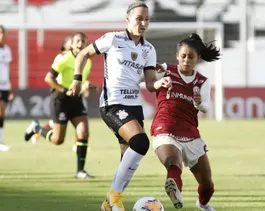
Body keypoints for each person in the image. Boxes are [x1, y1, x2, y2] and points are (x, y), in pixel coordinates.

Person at [67, 1, 172, 211]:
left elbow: (150, 83)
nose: (143, 23)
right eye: (139, 18)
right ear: (128, 19)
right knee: (141, 143)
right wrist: (77, 78)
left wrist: (159, 83)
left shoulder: (148, 50)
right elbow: (83, 54)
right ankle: (113, 198)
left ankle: (109, 203)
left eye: (147, 19)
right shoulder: (113, 38)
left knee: (127, 161)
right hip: (112, 104)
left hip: (134, 106)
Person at [151, 33, 220, 211]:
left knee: (207, 185)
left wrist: (198, 103)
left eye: (191, 57)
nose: (186, 60)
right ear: (177, 56)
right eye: (183, 56)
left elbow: (205, 107)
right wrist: (156, 79)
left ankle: (202, 204)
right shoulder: (166, 70)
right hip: (164, 127)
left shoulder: (202, 81)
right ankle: (175, 191)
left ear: (198, 58)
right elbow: (146, 79)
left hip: (190, 133)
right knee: (174, 161)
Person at [24, 32, 95, 179]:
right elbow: (49, 78)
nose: (80, 43)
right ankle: (36, 128)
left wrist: (88, 86)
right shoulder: (64, 58)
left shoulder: (88, 61)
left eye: (83, 41)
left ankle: (80, 171)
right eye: (77, 40)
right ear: (72, 43)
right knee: (57, 140)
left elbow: (82, 81)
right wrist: (64, 90)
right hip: (61, 100)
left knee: (83, 132)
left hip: (76, 100)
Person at [0, 25, 14, 152]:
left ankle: (0, 141)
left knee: (2, 113)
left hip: (4, 86)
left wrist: (10, 87)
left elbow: (7, 70)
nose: (1, 35)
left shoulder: (7, 50)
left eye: (3, 32)